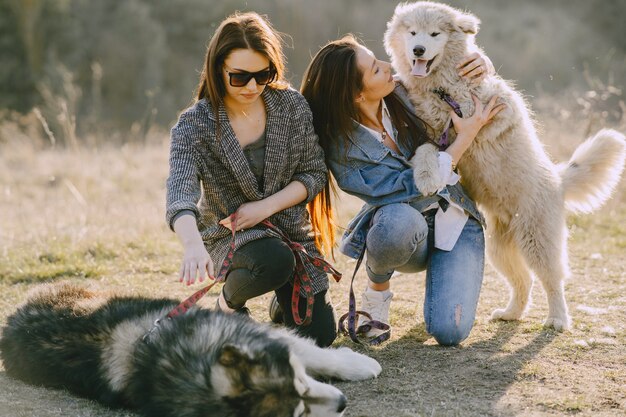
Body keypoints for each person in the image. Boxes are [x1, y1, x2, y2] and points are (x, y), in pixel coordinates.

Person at [301, 35, 504, 346]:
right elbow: (414, 189)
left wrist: (483, 62)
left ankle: (444, 279)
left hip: (456, 217)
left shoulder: (407, 90)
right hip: (405, 228)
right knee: (395, 222)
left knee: (449, 332)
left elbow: (457, 77)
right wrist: (465, 137)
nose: (387, 67)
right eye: (375, 70)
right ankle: (376, 296)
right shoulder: (343, 151)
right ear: (356, 95)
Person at [165, 12, 337, 347]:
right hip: (231, 238)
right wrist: (192, 245)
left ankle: (281, 300)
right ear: (219, 69)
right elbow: (179, 193)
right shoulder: (195, 124)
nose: (253, 87)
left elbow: (314, 173)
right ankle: (226, 307)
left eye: (263, 75)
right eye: (240, 77)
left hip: (291, 233)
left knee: (319, 338)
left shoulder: (291, 106)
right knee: (272, 260)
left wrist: (265, 207)